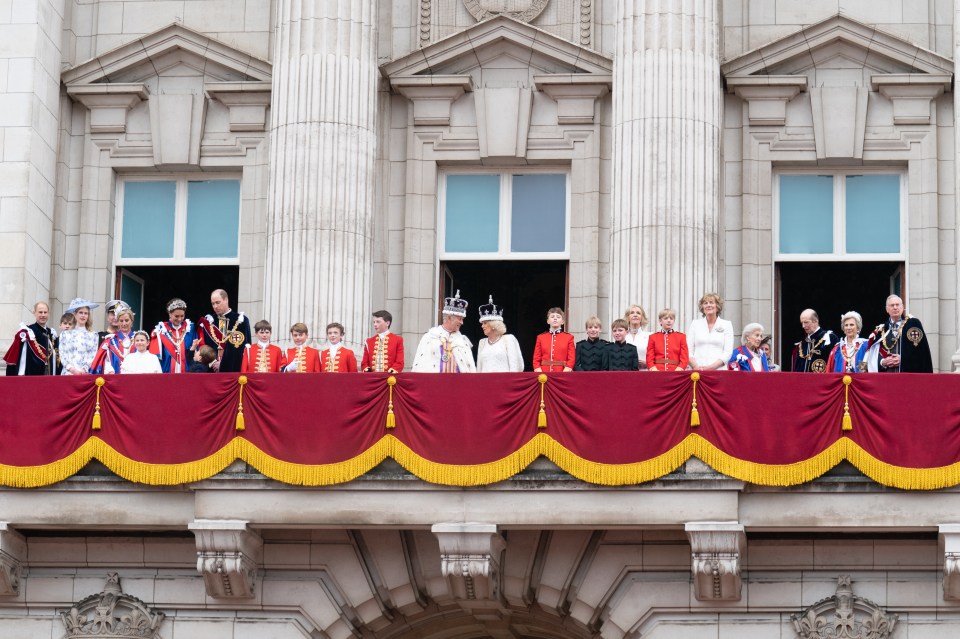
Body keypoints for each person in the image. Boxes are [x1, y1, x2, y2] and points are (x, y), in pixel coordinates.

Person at [411, 291, 476, 373]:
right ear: (449, 318)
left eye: (462, 319)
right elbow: (420, 365)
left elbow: (470, 369)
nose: (462, 322)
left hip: (458, 384)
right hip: (435, 384)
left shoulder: (463, 341)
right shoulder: (430, 337)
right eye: (460, 319)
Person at [865, 295, 933, 373]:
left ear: (902, 307)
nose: (895, 307)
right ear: (887, 309)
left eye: (897, 305)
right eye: (892, 305)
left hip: (907, 377)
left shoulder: (913, 324)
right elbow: (872, 356)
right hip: (886, 379)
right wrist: (883, 362)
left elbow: (921, 352)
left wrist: (903, 359)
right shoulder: (881, 330)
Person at [196, 289, 252, 373]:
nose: (215, 306)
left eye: (218, 302)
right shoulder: (209, 322)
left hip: (234, 370)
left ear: (226, 300)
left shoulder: (241, 321)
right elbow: (203, 347)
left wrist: (223, 364)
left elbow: (245, 349)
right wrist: (214, 363)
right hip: (211, 372)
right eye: (213, 303)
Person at [3, 301, 56, 376]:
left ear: (48, 313)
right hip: (30, 378)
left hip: (48, 378)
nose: (43, 315)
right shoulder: (27, 333)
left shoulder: (52, 334)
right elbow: (14, 357)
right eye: (40, 312)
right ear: (34, 313)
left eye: (45, 312)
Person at [149, 298, 197, 374]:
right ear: (170, 314)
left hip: (187, 372)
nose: (179, 319)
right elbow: (154, 357)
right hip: (167, 372)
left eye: (182, 316)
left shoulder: (189, 328)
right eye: (176, 316)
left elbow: (195, 354)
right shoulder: (161, 330)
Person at [476, 296, 523, 373]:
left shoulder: (508, 339)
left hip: (504, 383)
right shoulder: (482, 342)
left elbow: (516, 367)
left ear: (493, 325)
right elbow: (479, 368)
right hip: (485, 383)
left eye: (485, 323)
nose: (482, 326)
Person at [687, 293, 734, 371]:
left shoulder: (726, 325)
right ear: (702, 307)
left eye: (711, 302)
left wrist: (712, 367)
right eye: (705, 303)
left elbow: (728, 352)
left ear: (717, 306)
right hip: (697, 370)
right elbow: (688, 349)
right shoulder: (695, 324)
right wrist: (695, 366)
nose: (708, 305)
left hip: (718, 371)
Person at [58, 298, 101, 376]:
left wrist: (83, 370)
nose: (83, 315)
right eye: (81, 312)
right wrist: (72, 370)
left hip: (84, 374)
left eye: (86, 313)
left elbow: (92, 355)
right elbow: (62, 354)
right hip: (68, 374)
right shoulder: (65, 334)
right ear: (75, 314)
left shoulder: (93, 335)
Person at [94, 304, 137, 374]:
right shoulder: (110, 341)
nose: (124, 323)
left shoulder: (138, 339)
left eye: (126, 320)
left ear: (131, 321)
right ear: (118, 322)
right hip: (114, 378)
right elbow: (105, 361)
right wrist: (110, 371)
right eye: (121, 321)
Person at [532, 307, 575, 372]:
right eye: (552, 317)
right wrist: (537, 368)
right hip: (544, 372)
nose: (555, 319)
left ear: (563, 321)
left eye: (558, 317)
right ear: (548, 321)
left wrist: (568, 368)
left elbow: (571, 357)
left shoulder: (569, 337)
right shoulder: (540, 337)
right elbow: (536, 357)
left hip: (562, 372)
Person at [623, 304, 651, 369]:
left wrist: (648, 364)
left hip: (644, 373)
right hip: (626, 374)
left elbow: (657, 357)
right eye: (632, 313)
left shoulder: (649, 336)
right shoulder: (622, 336)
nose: (635, 315)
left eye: (638, 313)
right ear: (628, 317)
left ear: (642, 318)